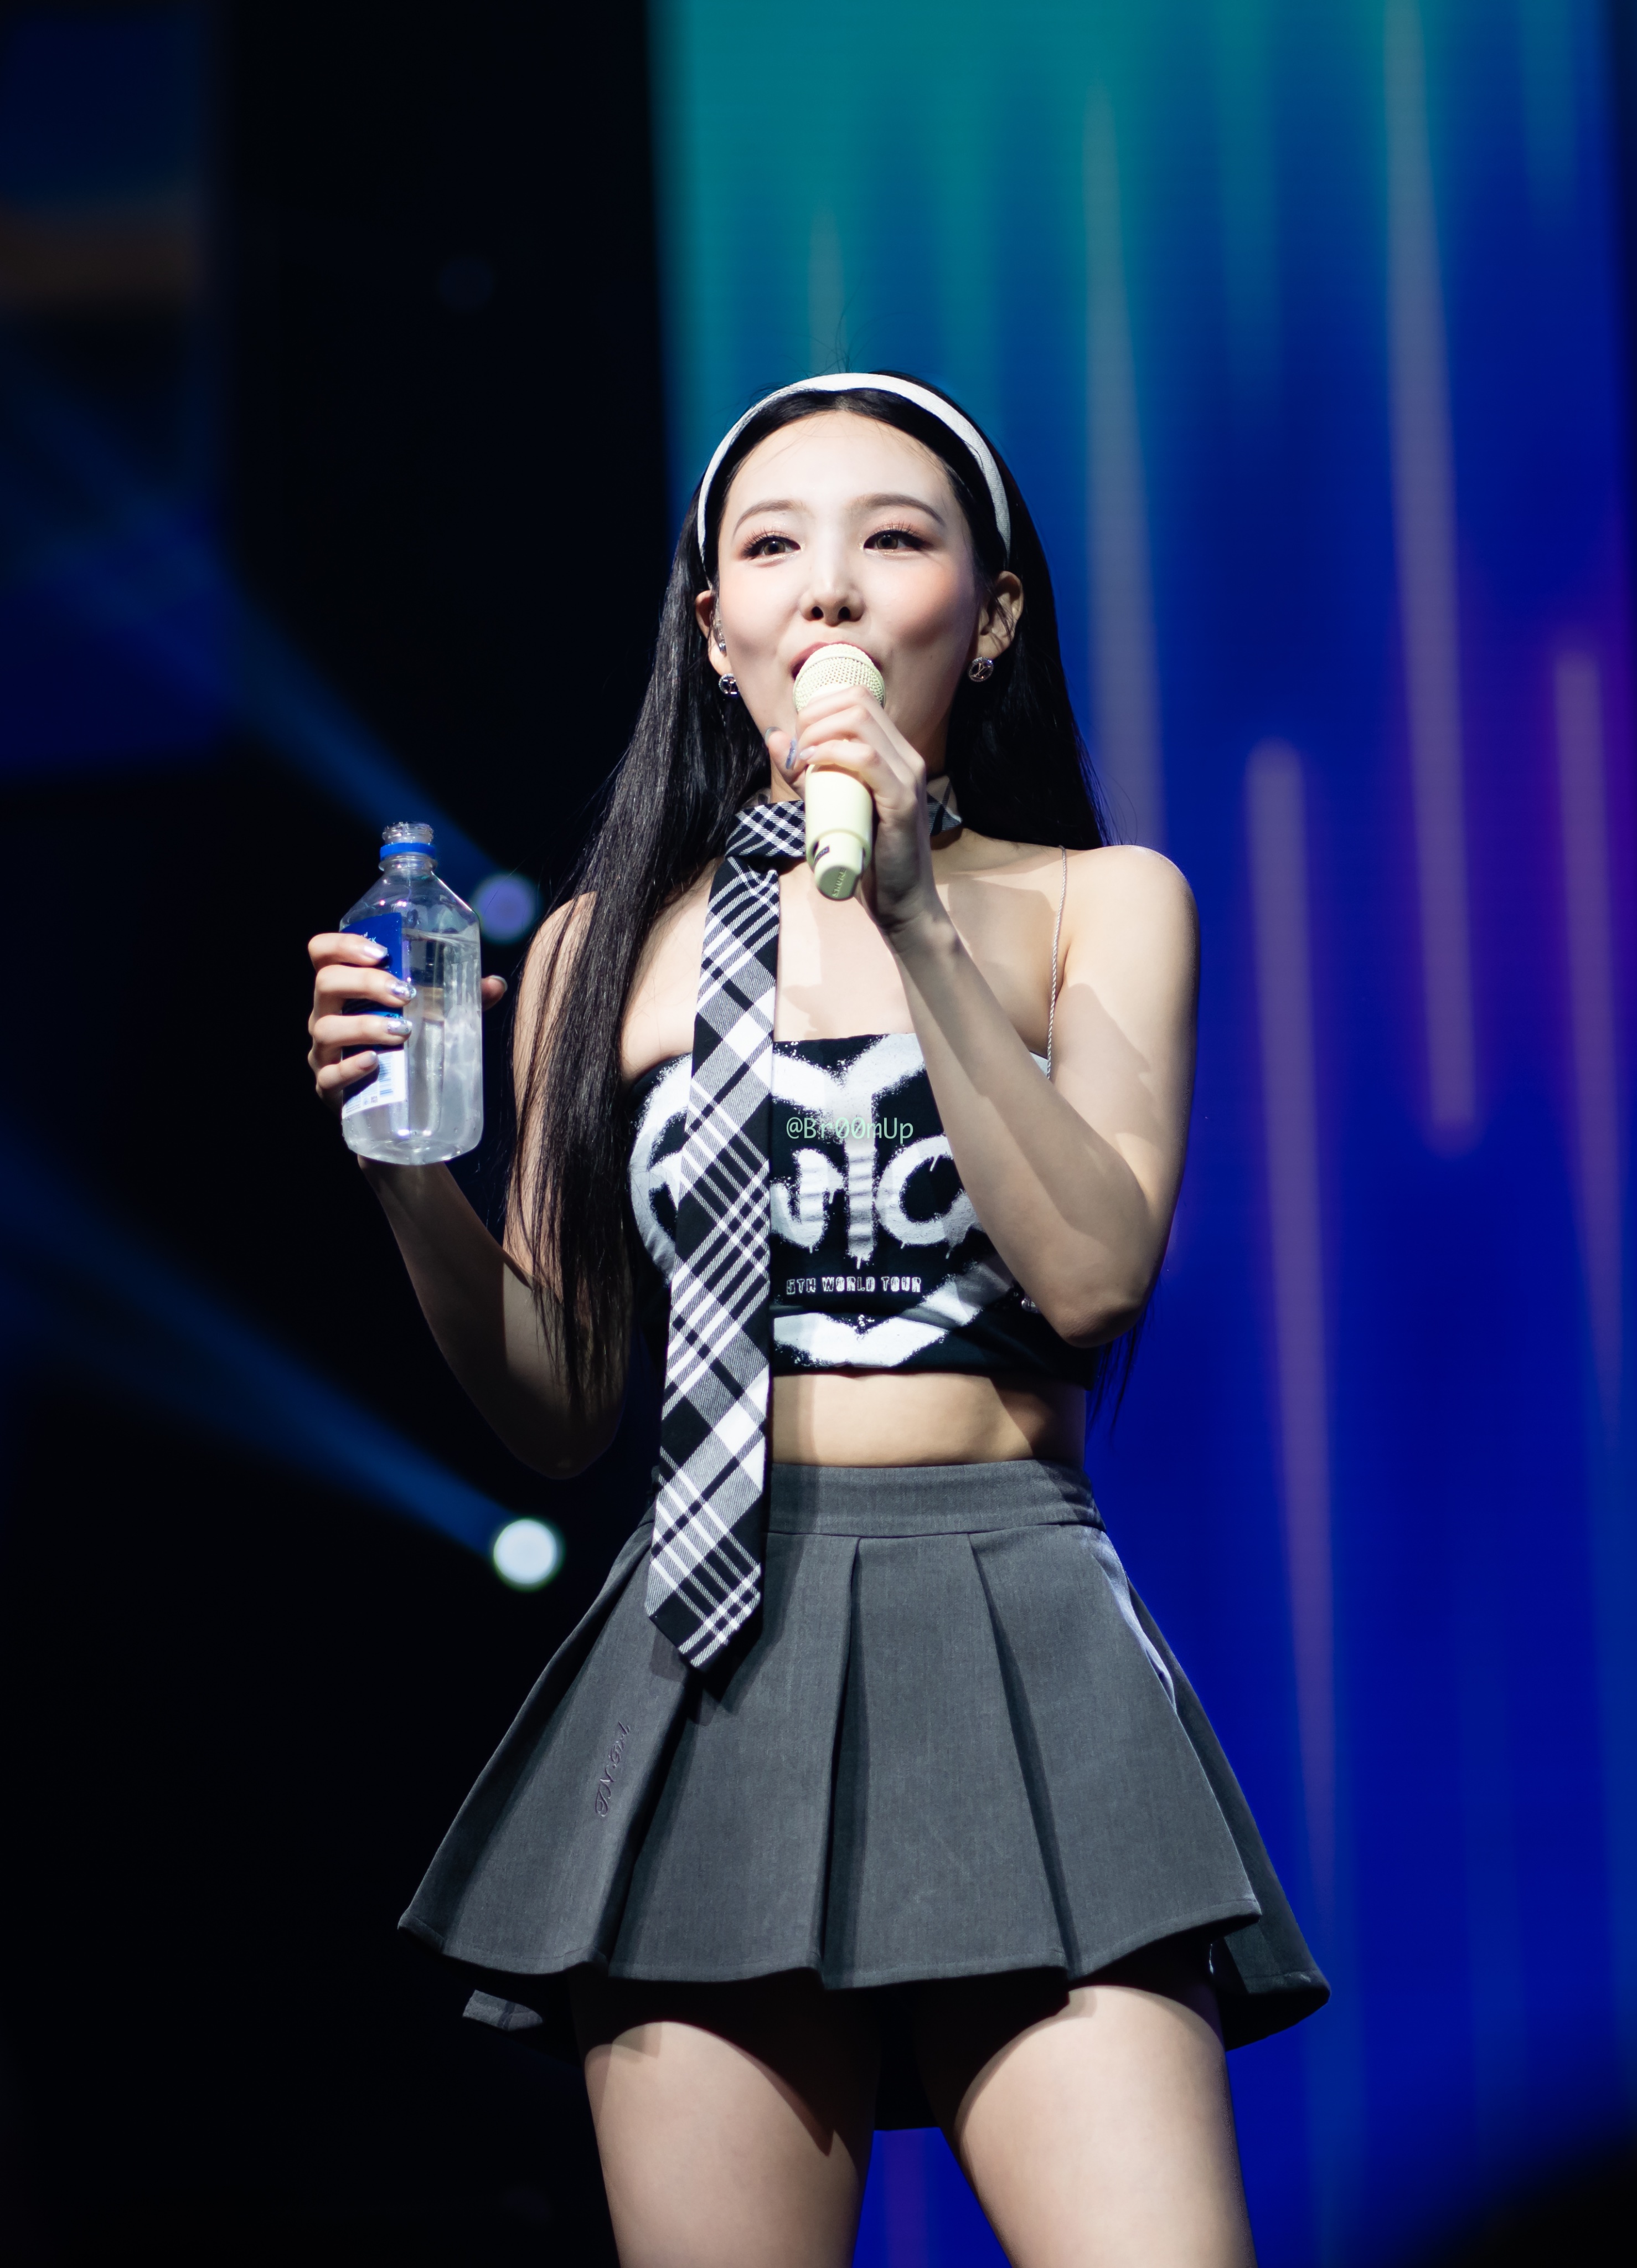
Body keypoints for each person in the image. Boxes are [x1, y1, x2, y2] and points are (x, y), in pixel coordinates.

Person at [306, 374, 1325, 2268]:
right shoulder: (602, 946)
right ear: (716, 632)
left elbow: (1092, 1273)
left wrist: (917, 913)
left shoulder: (1099, 904)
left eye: (894, 540)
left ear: (990, 614)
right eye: (774, 549)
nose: (831, 590)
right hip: (709, 1657)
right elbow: (559, 1403)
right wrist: (399, 1170)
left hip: (1011, 1620)